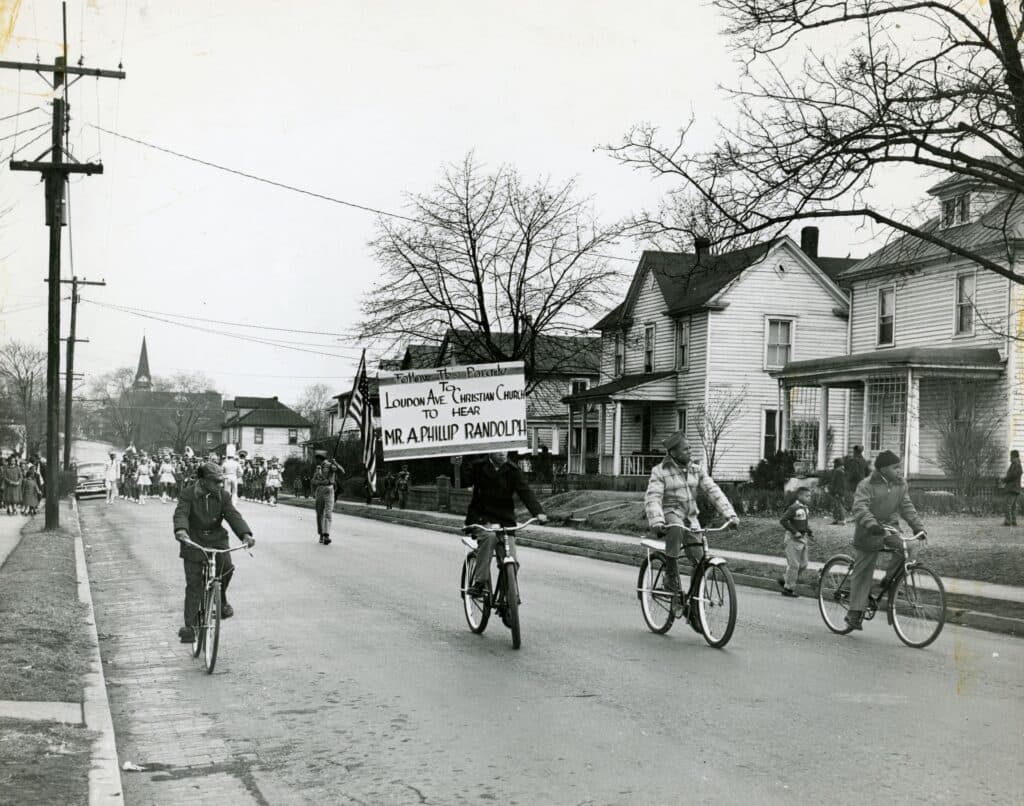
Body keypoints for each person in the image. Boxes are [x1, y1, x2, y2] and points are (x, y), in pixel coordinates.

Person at [644, 431, 739, 604]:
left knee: (700, 559)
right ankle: (670, 576)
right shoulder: (660, 471)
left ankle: (694, 603)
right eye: (685, 449)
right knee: (676, 526)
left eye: (690, 448)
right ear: (673, 452)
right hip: (670, 513)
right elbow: (653, 497)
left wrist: (730, 514)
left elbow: (713, 490)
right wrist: (657, 521)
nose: (690, 451)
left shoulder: (696, 469)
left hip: (691, 518)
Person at [172, 461, 255, 643]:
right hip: (193, 539)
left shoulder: (223, 495)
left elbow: (233, 515)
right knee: (194, 584)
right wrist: (181, 530)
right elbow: (181, 513)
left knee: (227, 568)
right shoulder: (188, 494)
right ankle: (190, 627)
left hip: (217, 538)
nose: (219, 485)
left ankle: (221, 600)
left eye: (221, 481)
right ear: (202, 481)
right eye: (215, 481)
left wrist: (245, 534)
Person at [845, 449, 926, 631]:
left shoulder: (900, 484)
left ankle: (889, 582)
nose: (899, 471)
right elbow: (860, 507)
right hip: (869, 532)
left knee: (908, 547)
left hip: (889, 529)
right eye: (895, 467)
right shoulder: (866, 485)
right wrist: (872, 524)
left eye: (899, 467)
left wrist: (918, 527)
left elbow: (906, 507)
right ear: (882, 469)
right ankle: (854, 613)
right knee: (864, 570)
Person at [464, 451, 548, 597]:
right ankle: (479, 583)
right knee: (489, 538)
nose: (503, 453)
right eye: (499, 450)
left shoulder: (512, 470)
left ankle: (508, 596)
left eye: (505, 450)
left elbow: (525, 492)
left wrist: (538, 512)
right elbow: (465, 481)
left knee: (511, 560)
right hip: (482, 518)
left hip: (504, 520)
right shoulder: (478, 467)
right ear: (491, 451)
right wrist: (460, 464)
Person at [778, 486, 813, 597]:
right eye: (807, 496)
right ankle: (788, 589)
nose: (809, 498)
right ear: (799, 496)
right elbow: (783, 520)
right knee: (794, 565)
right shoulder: (794, 507)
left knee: (803, 564)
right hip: (792, 539)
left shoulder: (805, 509)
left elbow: (804, 524)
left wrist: (809, 531)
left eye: (810, 496)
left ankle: (786, 580)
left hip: (802, 539)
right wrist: (794, 531)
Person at [312, 450, 344, 545]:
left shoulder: (330, 466)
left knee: (328, 512)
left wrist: (336, 463)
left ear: (320, 458)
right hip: (320, 490)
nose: (316, 460)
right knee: (319, 513)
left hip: (329, 490)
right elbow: (313, 481)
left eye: (317, 458)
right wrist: (319, 483)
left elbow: (342, 471)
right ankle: (321, 534)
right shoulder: (317, 468)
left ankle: (326, 535)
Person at [1002, 449, 1022, 526]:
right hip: (1015, 488)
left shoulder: (1015, 464)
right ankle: (1013, 521)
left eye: (1011, 456)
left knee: (1007, 504)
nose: (1010, 458)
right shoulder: (1017, 464)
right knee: (1013, 505)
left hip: (1012, 488)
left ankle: (1008, 521)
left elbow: (1013, 475)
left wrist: (1004, 479)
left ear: (1014, 456)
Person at [827, 457, 847, 525]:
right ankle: (837, 519)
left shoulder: (838, 471)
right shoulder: (842, 470)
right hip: (840, 491)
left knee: (839, 506)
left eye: (834, 463)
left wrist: (837, 492)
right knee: (837, 506)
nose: (834, 464)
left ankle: (841, 520)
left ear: (837, 463)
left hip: (838, 492)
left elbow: (839, 483)